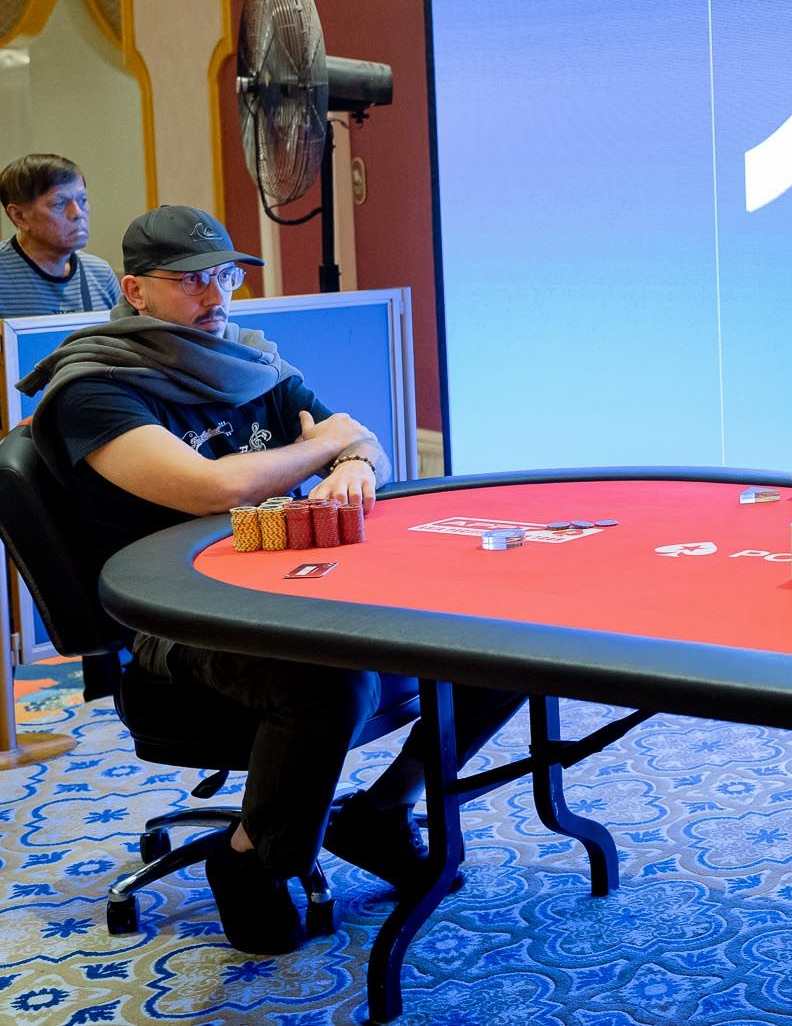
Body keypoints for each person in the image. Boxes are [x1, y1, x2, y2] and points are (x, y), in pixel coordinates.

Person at [16, 205, 521, 956]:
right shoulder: (97, 386)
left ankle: (382, 811)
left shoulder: (249, 361)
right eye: (190, 281)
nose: (216, 295)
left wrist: (352, 461)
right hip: (177, 619)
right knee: (327, 682)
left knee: (501, 636)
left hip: (287, 582)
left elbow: (356, 439)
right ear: (135, 289)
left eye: (225, 275)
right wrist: (326, 447)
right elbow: (210, 488)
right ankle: (249, 860)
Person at [0, 153, 120, 317]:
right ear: (19, 216)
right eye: (59, 203)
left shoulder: (100, 275)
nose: (77, 213)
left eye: (82, 200)